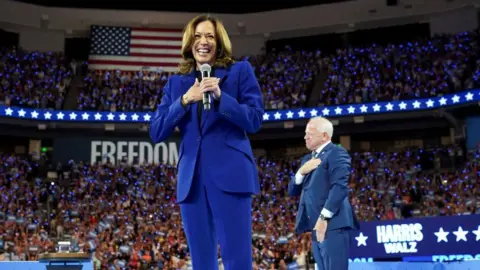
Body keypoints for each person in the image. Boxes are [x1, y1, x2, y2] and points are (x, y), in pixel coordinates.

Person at [149, 15, 264, 270]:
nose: (203, 41)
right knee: (201, 261)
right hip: (192, 181)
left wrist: (221, 98)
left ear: (219, 42)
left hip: (231, 174)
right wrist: (184, 101)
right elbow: (156, 131)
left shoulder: (239, 71)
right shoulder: (176, 83)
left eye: (210, 36)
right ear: (190, 43)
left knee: (237, 259)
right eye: (198, 36)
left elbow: (255, 120)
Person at [288, 117, 359, 270]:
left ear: (325, 136)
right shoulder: (307, 159)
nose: (305, 137)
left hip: (332, 225)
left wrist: (323, 218)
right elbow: (292, 190)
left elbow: (340, 187)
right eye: (305, 133)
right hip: (316, 227)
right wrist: (301, 171)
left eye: (310, 133)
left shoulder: (337, 152)